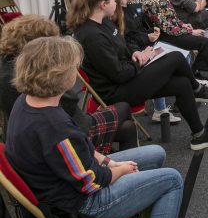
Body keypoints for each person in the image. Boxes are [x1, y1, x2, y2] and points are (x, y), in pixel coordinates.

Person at [5, 36, 183, 218]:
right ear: (61, 76)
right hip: (82, 206)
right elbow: (91, 183)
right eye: (73, 69)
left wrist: (105, 160)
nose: (76, 75)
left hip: (66, 185)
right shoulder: (52, 127)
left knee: (156, 154)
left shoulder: (28, 102)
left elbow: (80, 148)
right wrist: (119, 169)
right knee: (172, 180)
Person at [68, 0, 208, 151]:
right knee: (174, 58)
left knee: (182, 84)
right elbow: (118, 74)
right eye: (114, 1)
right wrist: (141, 60)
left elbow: (121, 47)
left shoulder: (103, 22)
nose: (116, 4)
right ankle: (197, 89)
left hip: (127, 76)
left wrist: (134, 54)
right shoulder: (92, 36)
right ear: (103, 4)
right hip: (116, 92)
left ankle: (199, 135)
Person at [0, 15, 137, 152]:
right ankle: (109, 159)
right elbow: (69, 103)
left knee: (127, 126)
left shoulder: (12, 67)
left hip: (54, 131)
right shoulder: (28, 75)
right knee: (125, 112)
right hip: (65, 134)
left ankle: (111, 158)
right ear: (40, 44)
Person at [120, 0, 181, 125]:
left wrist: (150, 35)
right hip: (135, 52)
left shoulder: (131, 7)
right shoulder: (120, 15)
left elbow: (138, 29)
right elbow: (128, 39)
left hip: (142, 46)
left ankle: (177, 98)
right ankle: (160, 110)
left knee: (180, 57)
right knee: (159, 65)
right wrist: (147, 39)